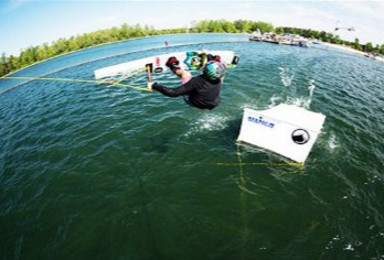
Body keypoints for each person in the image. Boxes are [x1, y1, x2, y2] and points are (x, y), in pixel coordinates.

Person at [148, 54, 226, 110]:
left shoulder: (196, 82)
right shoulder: (218, 77)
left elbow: (173, 93)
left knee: (185, 74)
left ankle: (172, 65)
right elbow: (209, 71)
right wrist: (206, 56)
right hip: (214, 103)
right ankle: (213, 61)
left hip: (194, 103)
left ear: (205, 70)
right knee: (219, 79)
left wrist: (155, 86)